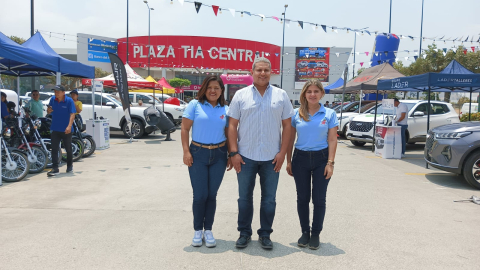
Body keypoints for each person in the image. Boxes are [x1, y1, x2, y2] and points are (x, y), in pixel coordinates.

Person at [228, 57, 294, 250]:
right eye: (259, 70)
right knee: (244, 198)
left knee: (269, 199)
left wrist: (282, 153)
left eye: (266, 70)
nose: (263, 73)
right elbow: (232, 125)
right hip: (245, 156)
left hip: (272, 157)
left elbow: (287, 126)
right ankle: (244, 233)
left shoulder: (281, 95)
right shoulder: (240, 95)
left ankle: (265, 233)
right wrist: (234, 152)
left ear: (271, 72)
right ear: (252, 72)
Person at [286, 79, 338, 250]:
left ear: (322, 94)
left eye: (316, 91)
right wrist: (288, 160)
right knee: (302, 198)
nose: (313, 94)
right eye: (309, 91)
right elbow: (290, 138)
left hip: (321, 158)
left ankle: (315, 233)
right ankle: (305, 232)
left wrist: (330, 162)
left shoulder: (329, 114)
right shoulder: (296, 114)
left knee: (319, 198)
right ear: (304, 94)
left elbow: (332, 139)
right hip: (300, 158)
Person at [181, 75, 232, 248]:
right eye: (210, 87)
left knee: (212, 195)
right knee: (200, 195)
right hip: (198, 153)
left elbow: (229, 133)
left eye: (216, 88)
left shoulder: (226, 108)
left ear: (221, 91)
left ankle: (208, 230)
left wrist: (231, 154)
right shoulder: (194, 105)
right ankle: (197, 230)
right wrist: (186, 151)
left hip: (219, 154)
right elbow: (185, 129)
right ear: (204, 88)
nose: (213, 91)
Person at [46, 85, 77, 177]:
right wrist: (48, 110)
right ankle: (55, 168)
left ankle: (69, 165)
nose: (56, 93)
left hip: (66, 129)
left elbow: (72, 114)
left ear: (63, 92)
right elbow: (49, 111)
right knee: (54, 149)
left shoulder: (69, 101)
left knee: (68, 149)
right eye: (55, 92)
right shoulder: (52, 99)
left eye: (58, 92)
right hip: (55, 128)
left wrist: (69, 126)